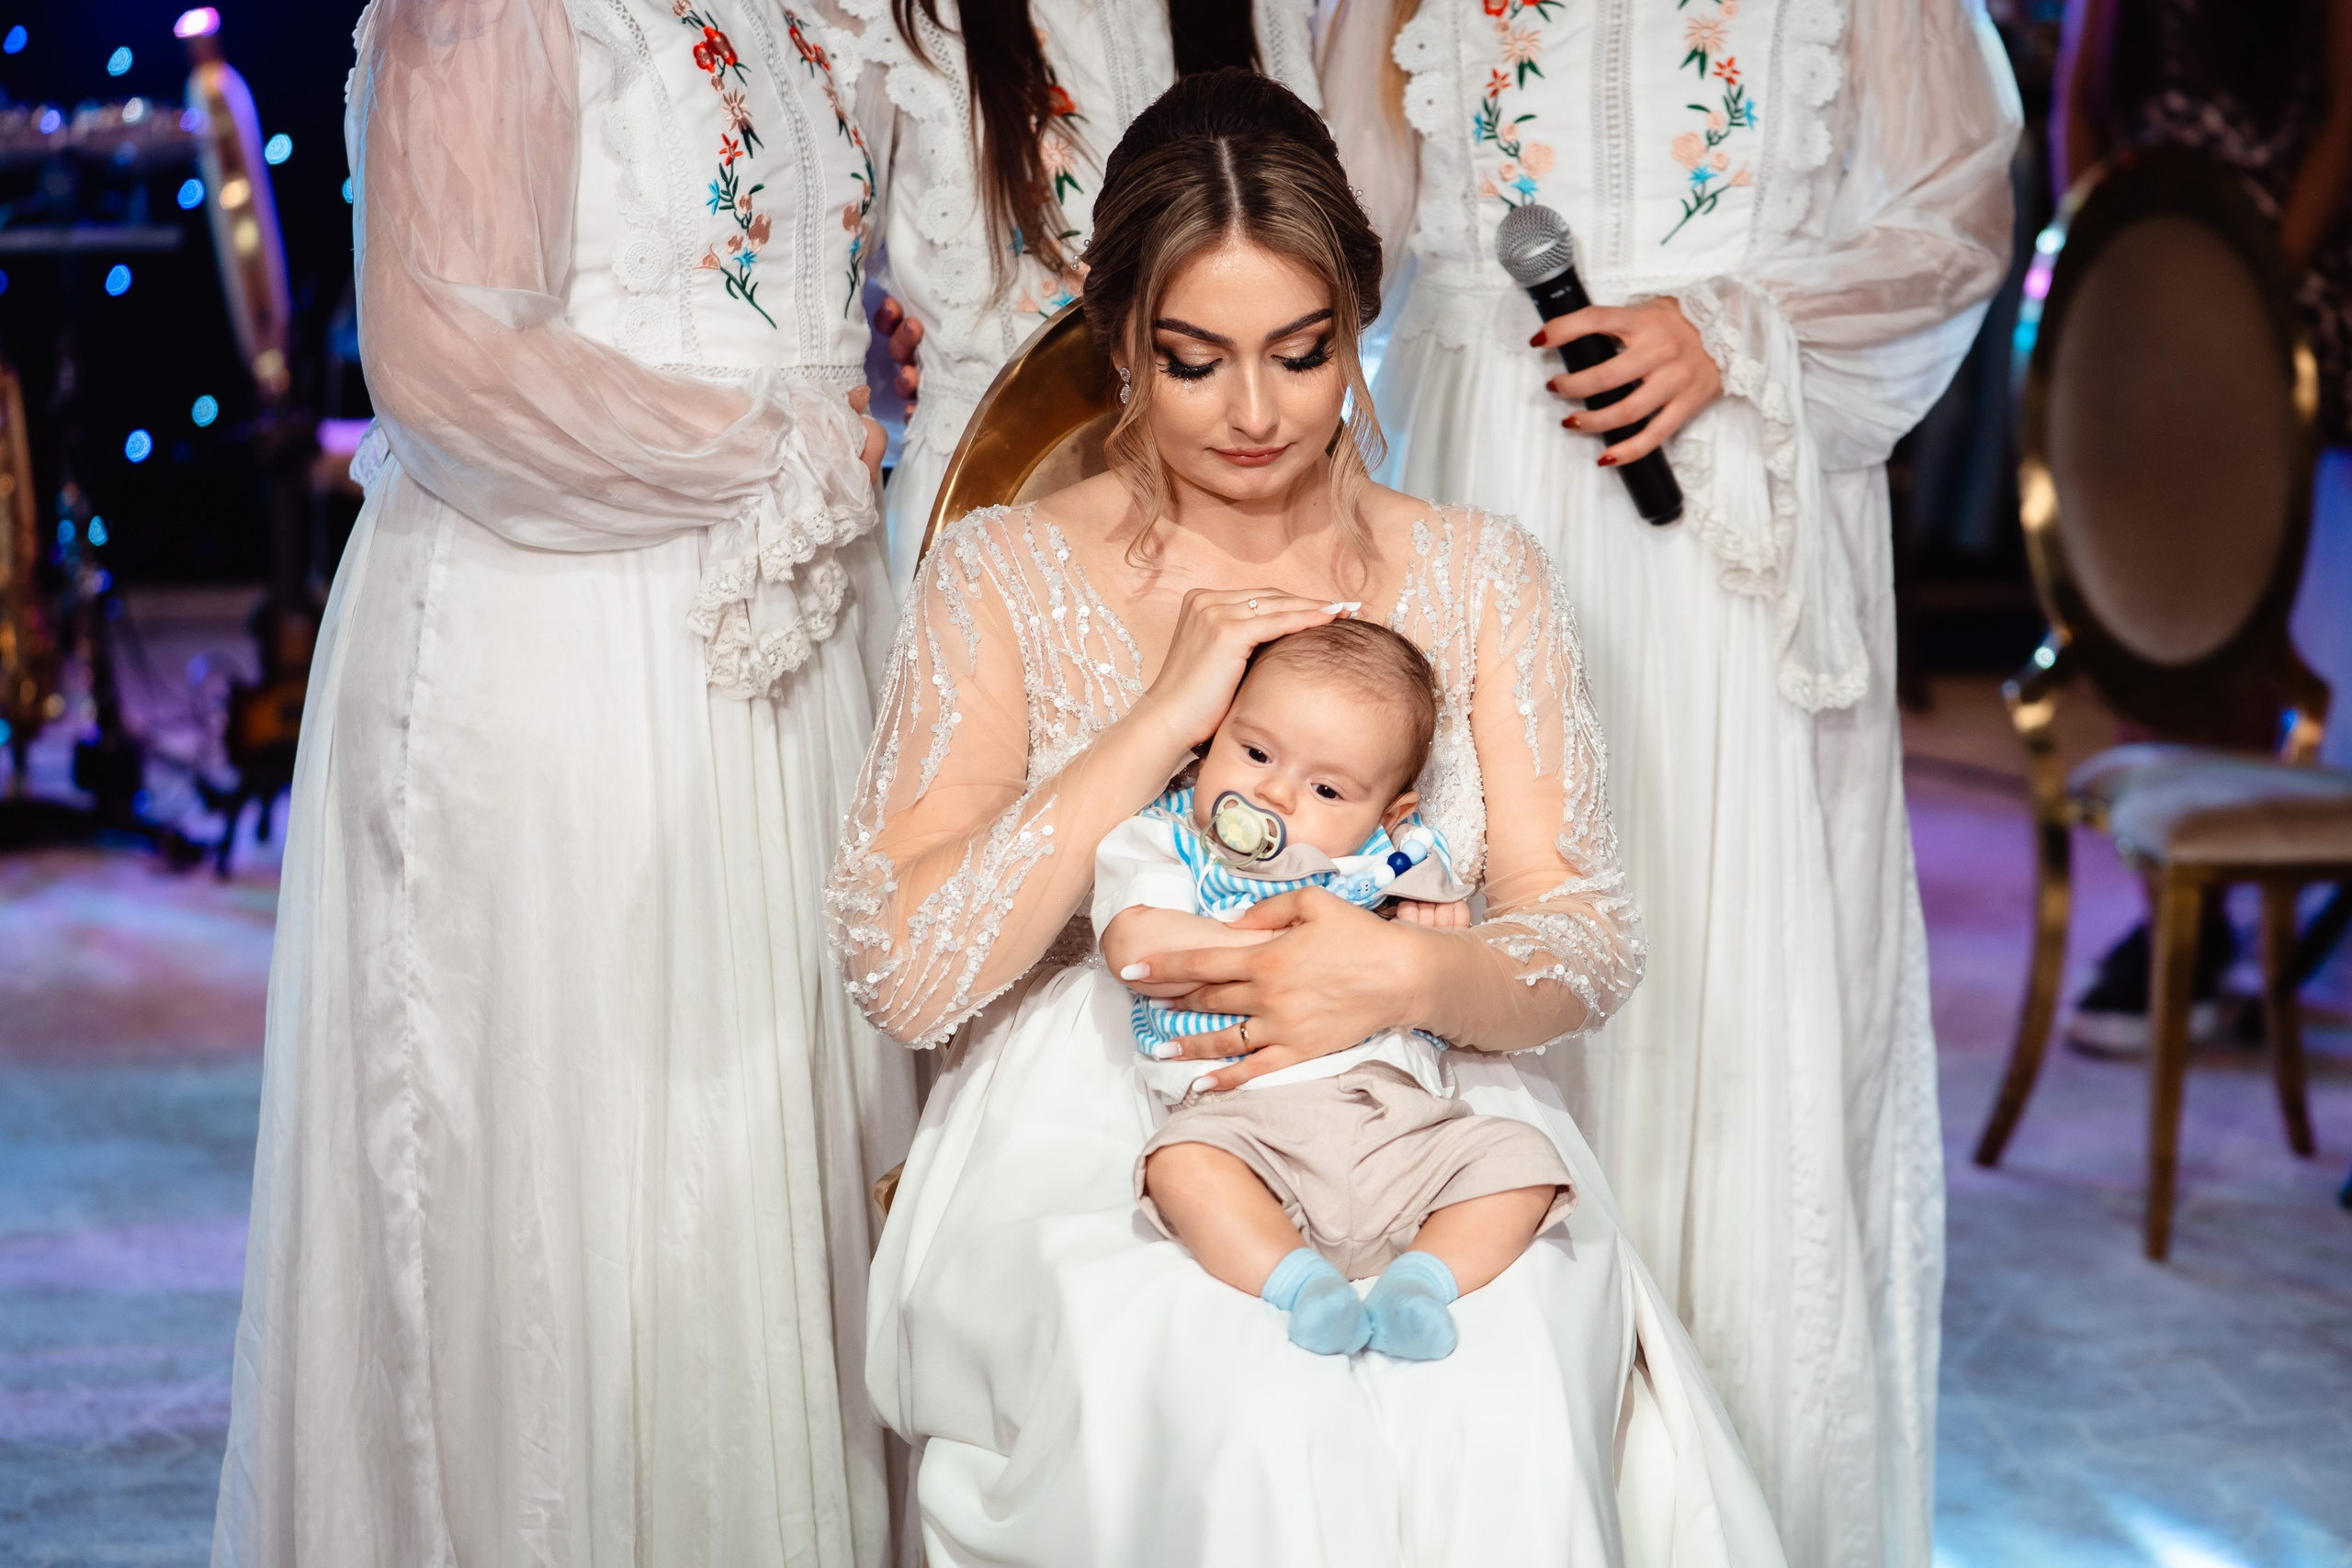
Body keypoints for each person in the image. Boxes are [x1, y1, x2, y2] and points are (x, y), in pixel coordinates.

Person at [831, 69, 1784, 1564]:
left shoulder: (1480, 575)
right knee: (1233, 1396)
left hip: (1426, 1098)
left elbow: (1585, 936)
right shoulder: (1004, 574)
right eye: (1197, 360)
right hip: (1106, 1114)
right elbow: (901, 970)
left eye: (1304, 350)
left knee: (1499, 1374)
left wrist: (1409, 973)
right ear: (1122, 338)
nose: (1259, 414)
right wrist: (1162, 715)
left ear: (1357, 319)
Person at [211, 4, 914, 1564]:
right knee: (589, 1180)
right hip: (578, 630)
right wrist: (771, 450)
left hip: (795, 616)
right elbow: (449, 366)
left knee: (761, 1153)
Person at [1319, 3, 2022, 1563]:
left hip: (1731, 523)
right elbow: (1339, 225)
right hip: (1485, 493)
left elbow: (1961, 210)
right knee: (1495, 1003)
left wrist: (1733, 324)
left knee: (1743, 1008)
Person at [1098, 620, 1576, 1361]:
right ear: (1211, 741)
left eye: (1326, 787)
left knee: (1524, 1162)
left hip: (1399, 1118)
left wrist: (1432, 928)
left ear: (1387, 816)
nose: (1274, 791)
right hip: (1245, 1121)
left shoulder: (1387, 863)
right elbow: (1137, 946)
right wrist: (1295, 957)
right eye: (1254, 752)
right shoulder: (1166, 844)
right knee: (1179, 1167)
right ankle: (1303, 1286)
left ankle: (1419, 1282)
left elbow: (1445, 946)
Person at [2052, 0, 2352, 1053]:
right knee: (2144, 593)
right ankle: (2174, 914)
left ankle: (2241, 900)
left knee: (2245, 594)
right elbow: (2076, 113)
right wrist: (2099, 258)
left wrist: (2252, 284)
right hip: (2138, 274)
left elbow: (2342, 118)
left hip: (2275, 287)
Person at [835, 0, 1319, 598]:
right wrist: (891, 363)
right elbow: (817, 279)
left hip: (1245, 494)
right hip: (995, 493)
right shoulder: (896, 20)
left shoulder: (1265, 13)